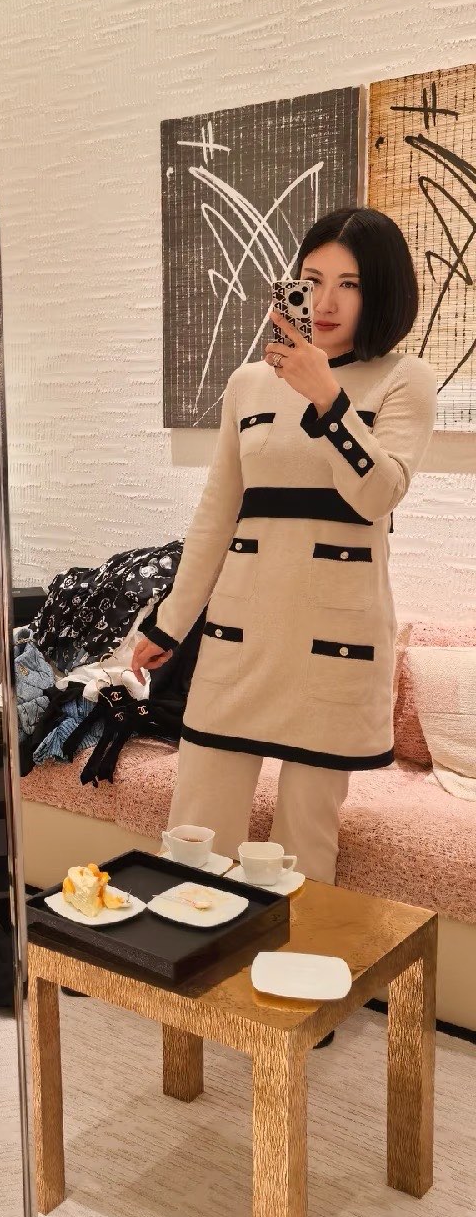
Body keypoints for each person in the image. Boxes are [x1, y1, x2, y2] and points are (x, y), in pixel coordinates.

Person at [132, 206, 437, 891]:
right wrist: (169, 623)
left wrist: (327, 398)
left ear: (382, 292)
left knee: (302, 849)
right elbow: (217, 516)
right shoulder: (248, 384)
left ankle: (298, 961)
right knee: (195, 836)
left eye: (350, 285)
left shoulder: (404, 380)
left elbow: (378, 495)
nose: (325, 303)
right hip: (243, 634)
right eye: (313, 279)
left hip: (336, 642)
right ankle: (193, 955)